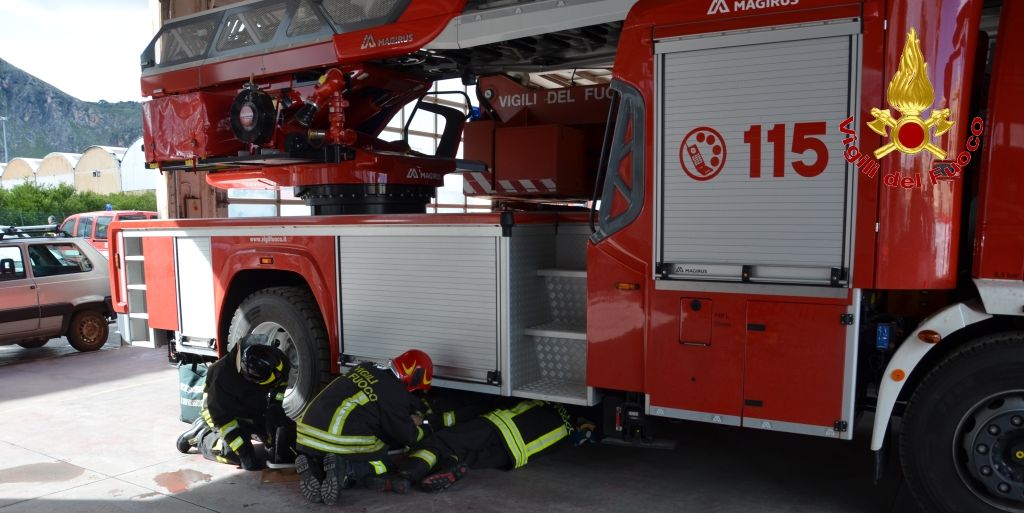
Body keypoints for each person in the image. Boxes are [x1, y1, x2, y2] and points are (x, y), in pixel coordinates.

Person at [294, 348, 433, 505]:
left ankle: (315, 467)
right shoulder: (395, 394)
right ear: (415, 378)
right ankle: (346, 470)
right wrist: (423, 427)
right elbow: (408, 436)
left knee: (330, 455)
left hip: (306, 433)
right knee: (382, 463)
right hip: (334, 436)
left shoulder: (364, 368)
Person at [372, 399, 595, 493]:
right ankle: (446, 469)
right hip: (515, 455)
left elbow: (489, 403)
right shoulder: (567, 435)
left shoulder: (547, 403)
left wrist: (430, 421)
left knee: (441, 442)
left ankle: (406, 475)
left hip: (499, 428)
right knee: (460, 456)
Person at [175, 335, 294, 471]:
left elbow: (279, 387)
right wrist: (244, 451)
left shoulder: (279, 361)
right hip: (220, 413)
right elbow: (223, 420)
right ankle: (201, 436)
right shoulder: (221, 375)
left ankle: (251, 431)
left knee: (284, 435)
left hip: (251, 407)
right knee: (231, 453)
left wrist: (274, 406)